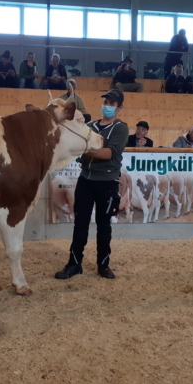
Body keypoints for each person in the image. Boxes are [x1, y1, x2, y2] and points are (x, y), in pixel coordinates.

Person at [55, 89, 129, 280]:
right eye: (106, 102)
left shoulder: (121, 128)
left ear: (119, 108)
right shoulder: (90, 125)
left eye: (112, 104)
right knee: (80, 224)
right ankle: (74, 264)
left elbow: (108, 153)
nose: (107, 106)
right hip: (85, 180)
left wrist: (83, 147)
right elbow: (72, 138)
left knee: (104, 226)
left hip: (108, 183)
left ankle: (103, 266)